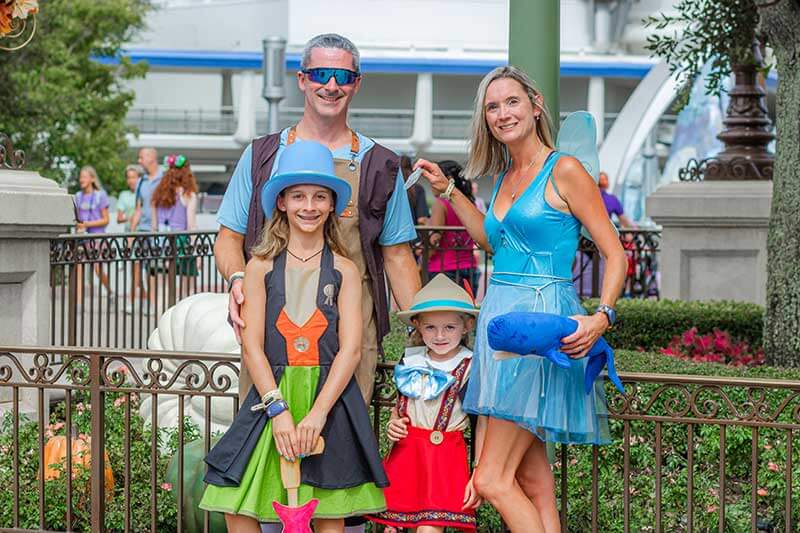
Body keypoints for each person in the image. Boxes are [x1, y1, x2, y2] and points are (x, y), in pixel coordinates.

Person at [414, 66, 627, 532]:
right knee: (533, 479)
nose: (502, 113)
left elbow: (615, 254)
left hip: (539, 328)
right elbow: (495, 243)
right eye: (492, 106)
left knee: (491, 480)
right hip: (501, 324)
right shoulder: (506, 176)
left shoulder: (564, 169)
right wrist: (448, 191)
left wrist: (601, 317)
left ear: (535, 106)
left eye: (512, 102)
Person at [213, 33, 420, 407]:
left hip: (349, 336)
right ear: (302, 79)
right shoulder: (261, 155)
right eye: (321, 73)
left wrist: (423, 331)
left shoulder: (381, 165)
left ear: (357, 84)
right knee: (270, 438)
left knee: (338, 447)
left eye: (342, 76)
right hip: (271, 330)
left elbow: (398, 256)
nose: (331, 85)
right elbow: (229, 237)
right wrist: (238, 278)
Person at [200, 141, 388, 532]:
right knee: (236, 504)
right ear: (281, 202)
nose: (309, 206)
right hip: (272, 398)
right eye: (298, 195)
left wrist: (317, 415)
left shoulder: (346, 271)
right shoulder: (259, 267)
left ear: (333, 204)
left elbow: (351, 350)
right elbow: (251, 346)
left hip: (329, 403)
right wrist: (278, 410)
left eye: (320, 196)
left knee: (327, 511)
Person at [369, 274, 485, 532]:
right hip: (407, 453)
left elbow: (482, 423)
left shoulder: (469, 366)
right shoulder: (410, 361)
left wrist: (478, 469)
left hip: (445, 456)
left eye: (450, 328)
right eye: (430, 327)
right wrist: (393, 424)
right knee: (393, 526)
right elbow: (401, 407)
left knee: (430, 527)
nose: (440, 335)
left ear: (466, 326)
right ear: (418, 326)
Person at [426, 160, 479, 292]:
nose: (431, 183)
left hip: (443, 269)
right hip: (469, 268)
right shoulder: (470, 204)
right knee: (466, 311)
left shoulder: (441, 203)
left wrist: (421, 262)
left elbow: (434, 239)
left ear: (448, 180)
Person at [151, 154, 200, 296]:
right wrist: (197, 253)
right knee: (188, 289)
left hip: (161, 243)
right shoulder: (188, 195)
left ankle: (162, 316)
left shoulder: (157, 195)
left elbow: (154, 226)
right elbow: (191, 226)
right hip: (182, 243)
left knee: (162, 289)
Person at [128, 147, 163, 314]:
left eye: (141, 158)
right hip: (141, 231)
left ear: (151, 158)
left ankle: (152, 303)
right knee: (136, 265)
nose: (139, 161)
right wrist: (131, 233)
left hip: (157, 232)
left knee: (152, 270)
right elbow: (138, 209)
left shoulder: (164, 179)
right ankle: (134, 300)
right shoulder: (141, 182)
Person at [73, 165, 112, 301]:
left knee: (97, 269)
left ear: (92, 178)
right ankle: (78, 303)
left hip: (97, 238)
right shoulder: (78, 196)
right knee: (78, 268)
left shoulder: (100, 196)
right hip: (83, 238)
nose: (81, 180)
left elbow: (106, 220)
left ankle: (110, 292)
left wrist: (87, 224)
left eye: (84, 177)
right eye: (80, 177)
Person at [116, 164, 142, 231]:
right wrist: (130, 218)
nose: (131, 181)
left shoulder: (145, 193)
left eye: (133, 177)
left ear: (139, 178)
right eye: (128, 178)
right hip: (129, 232)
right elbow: (119, 219)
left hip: (144, 232)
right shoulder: (123, 195)